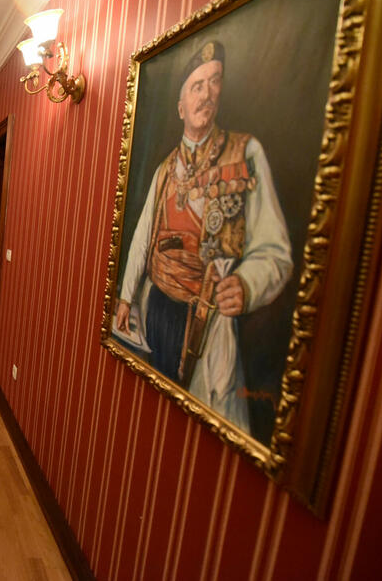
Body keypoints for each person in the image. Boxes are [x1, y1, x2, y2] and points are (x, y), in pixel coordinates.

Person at [114, 40, 293, 433]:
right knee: (153, 402)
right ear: (181, 106)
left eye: (214, 82)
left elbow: (275, 251)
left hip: (207, 321)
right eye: (197, 85)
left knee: (196, 419)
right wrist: (126, 297)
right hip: (158, 308)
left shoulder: (245, 154)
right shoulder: (165, 170)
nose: (207, 94)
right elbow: (142, 238)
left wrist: (247, 284)